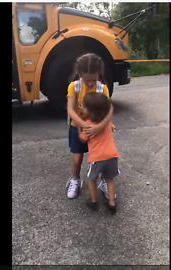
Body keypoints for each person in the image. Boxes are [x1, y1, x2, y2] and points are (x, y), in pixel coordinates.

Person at [66, 53, 116, 200]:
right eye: (87, 80)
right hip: (77, 127)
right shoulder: (74, 87)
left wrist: (100, 127)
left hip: (98, 129)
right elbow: (70, 109)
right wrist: (84, 126)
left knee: (102, 158)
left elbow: (110, 109)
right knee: (77, 160)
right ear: (80, 74)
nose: (90, 83)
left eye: (93, 80)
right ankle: (75, 180)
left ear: (99, 75)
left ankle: (104, 182)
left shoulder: (102, 88)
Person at [78, 92, 119, 213]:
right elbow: (112, 127)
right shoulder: (106, 123)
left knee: (91, 179)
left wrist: (79, 128)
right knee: (110, 179)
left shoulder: (88, 126)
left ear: (90, 111)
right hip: (112, 155)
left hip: (97, 159)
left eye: (84, 106)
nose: (81, 107)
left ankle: (93, 201)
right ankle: (112, 203)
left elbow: (83, 139)